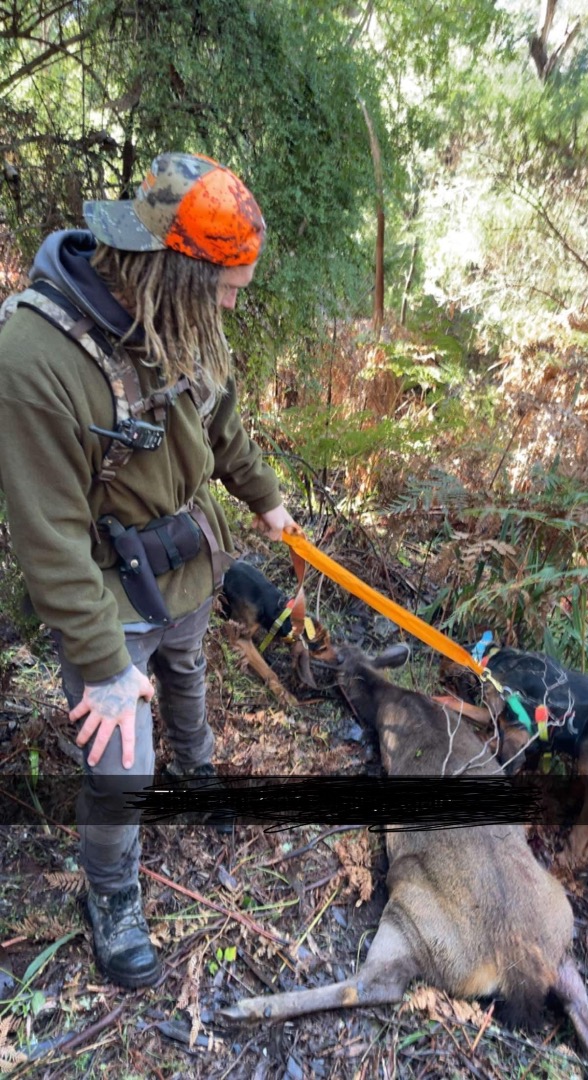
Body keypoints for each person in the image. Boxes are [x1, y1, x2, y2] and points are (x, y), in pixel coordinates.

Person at [0, 151, 296, 989]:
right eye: (227, 289)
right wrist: (102, 668)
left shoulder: (185, 318)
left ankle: (197, 773)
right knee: (122, 765)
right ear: (173, 271)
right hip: (103, 587)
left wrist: (265, 499)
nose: (233, 304)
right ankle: (111, 892)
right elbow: (50, 537)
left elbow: (221, 419)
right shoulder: (32, 360)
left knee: (188, 671)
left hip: (187, 560)